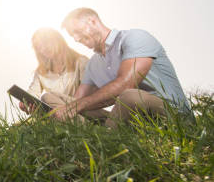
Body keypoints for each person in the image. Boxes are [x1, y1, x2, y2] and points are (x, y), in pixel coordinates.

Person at [50, 8, 191, 127]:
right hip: (128, 117)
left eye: (76, 31)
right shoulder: (93, 64)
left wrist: (76, 107)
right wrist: (49, 109)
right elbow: (76, 101)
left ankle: (106, 138)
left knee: (130, 96)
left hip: (171, 115)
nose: (75, 39)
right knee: (51, 98)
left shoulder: (135, 37)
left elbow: (126, 84)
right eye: (71, 35)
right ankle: (92, 133)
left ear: (92, 21)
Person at [19, 28, 99, 116]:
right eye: (38, 47)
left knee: (47, 97)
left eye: (45, 43)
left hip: (84, 110)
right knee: (48, 105)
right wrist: (26, 101)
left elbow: (88, 95)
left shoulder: (81, 62)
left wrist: (64, 107)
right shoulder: (41, 71)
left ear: (57, 40)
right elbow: (33, 92)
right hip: (61, 114)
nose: (43, 49)